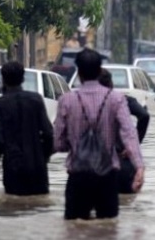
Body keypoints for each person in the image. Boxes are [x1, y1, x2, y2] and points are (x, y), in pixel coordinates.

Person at [53, 49, 145, 219]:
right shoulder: (116, 99)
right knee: (108, 233)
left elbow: (58, 143)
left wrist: (75, 144)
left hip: (77, 176)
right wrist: (139, 167)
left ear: (78, 72)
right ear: (99, 70)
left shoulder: (66, 100)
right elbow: (129, 134)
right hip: (107, 178)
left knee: (74, 233)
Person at [0, 61, 54, 196]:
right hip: (37, 168)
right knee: (39, 208)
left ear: (3, 79)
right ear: (22, 79)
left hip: (13, 167)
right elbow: (48, 133)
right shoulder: (36, 100)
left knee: (13, 209)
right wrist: (43, 158)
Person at [98, 69, 149, 194]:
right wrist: (134, 144)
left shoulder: (84, 103)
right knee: (126, 206)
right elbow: (144, 115)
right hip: (123, 161)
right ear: (111, 84)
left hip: (96, 164)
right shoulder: (123, 100)